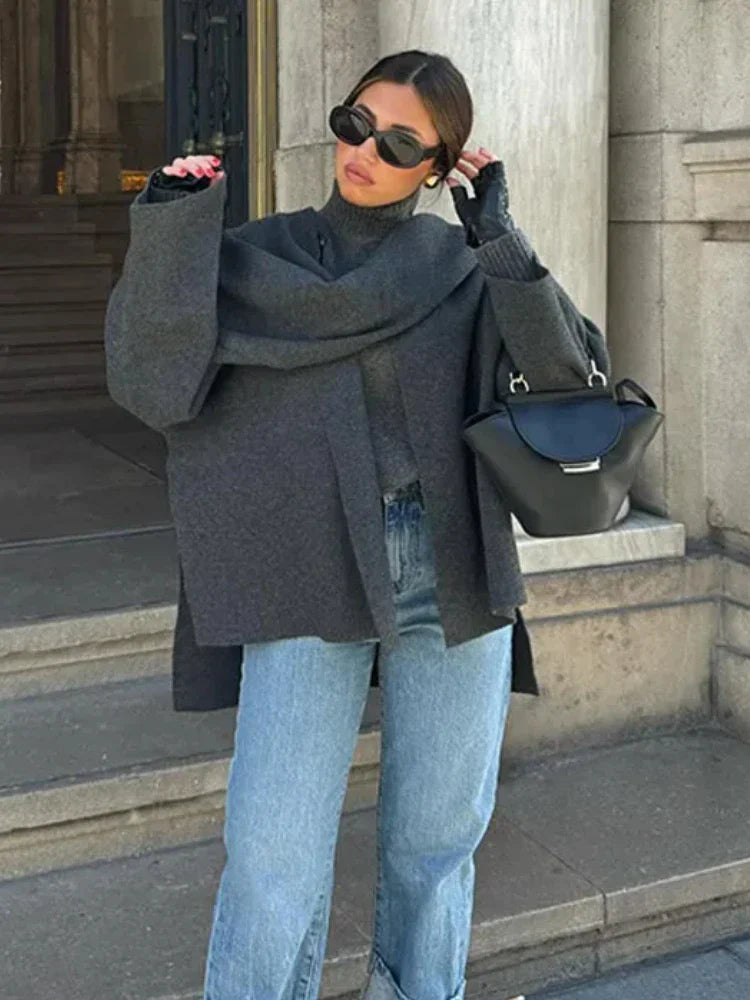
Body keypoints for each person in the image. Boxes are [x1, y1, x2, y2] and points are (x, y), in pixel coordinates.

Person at [105, 48, 610, 1000]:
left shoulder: (461, 268)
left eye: (400, 143)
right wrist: (172, 228)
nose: (365, 152)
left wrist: (501, 239)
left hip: (450, 566)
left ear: (440, 167)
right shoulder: (262, 259)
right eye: (355, 124)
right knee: (272, 852)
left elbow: (568, 381)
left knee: (435, 845)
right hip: (306, 562)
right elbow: (150, 383)